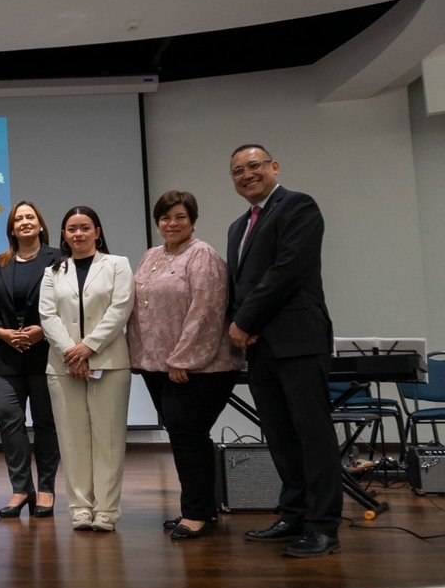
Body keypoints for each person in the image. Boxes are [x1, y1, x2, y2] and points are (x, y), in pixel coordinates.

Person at [226, 144, 341, 557]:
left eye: (254, 166)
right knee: (279, 436)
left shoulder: (299, 207)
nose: (246, 174)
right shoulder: (238, 227)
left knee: (313, 435)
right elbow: (239, 286)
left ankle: (324, 525)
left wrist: (245, 321)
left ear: (274, 166)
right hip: (260, 348)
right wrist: (235, 325)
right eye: (237, 171)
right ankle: (294, 515)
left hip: (298, 340)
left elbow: (287, 270)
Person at [127, 191, 242, 540]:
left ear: (192, 220)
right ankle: (202, 508)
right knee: (185, 437)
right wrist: (139, 355)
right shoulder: (151, 255)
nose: (171, 223)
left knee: (187, 436)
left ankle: (195, 513)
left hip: (198, 367)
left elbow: (206, 312)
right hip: (157, 365)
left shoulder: (203, 256)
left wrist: (184, 359)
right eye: (165, 217)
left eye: (179, 217)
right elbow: (138, 308)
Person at [39, 206, 134, 532]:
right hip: (63, 366)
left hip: (109, 363)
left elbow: (120, 308)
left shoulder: (118, 265)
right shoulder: (53, 271)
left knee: (108, 439)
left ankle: (106, 511)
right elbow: (47, 316)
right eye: (71, 229)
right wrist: (71, 352)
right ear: (63, 235)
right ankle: (80, 508)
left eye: (84, 227)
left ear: (97, 231)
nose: (78, 234)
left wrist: (88, 348)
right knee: (72, 439)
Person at [0, 201, 63, 519]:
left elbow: (67, 302)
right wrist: (0, 332)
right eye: (19, 219)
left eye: (30, 217)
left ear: (41, 224)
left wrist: (42, 331)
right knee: (9, 421)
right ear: (11, 228)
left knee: (46, 423)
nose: (25, 222)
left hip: (45, 353)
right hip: (5, 355)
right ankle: (20, 489)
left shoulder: (58, 258)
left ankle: (45, 488)